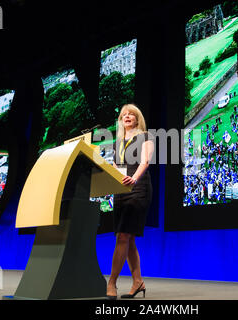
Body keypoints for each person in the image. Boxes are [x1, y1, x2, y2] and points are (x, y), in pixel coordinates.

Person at [107, 103, 155, 300]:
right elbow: (115, 167)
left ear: (137, 118)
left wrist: (134, 178)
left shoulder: (146, 137)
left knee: (123, 236)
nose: (127, 116)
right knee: (129, 238)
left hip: (138, 188)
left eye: (131, 114)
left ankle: (111, 283)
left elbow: (145, 162)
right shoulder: (116, 143)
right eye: (123, 114)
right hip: (120, 191)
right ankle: (138, 282)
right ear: (121, 120)